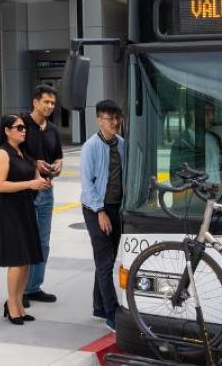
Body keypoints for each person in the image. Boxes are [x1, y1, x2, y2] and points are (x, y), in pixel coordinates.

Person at [0, 114, 50, 325]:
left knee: (26, 259)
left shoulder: (24, 153)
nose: (23, 130)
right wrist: (30, 185)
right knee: (16, 260)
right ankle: (11, 303)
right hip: (9, 210)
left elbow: (33, 178)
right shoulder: (1, 153)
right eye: (18, 127)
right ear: (7, 130)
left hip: (24, 207)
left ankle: (18, 303)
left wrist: (41, 181)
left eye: (24, 127)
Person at [80, 100, 126, 331]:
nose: (116, 123)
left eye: (118, 118)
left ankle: (98, 306)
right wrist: (99, 212)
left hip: (117, 208)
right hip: (95, 209)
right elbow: (87, 184)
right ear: (99, 120)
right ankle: (111, 313)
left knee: (106, 260)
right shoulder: (91, 147)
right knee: (105, 261)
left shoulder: (122, 144)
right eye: (111, 118)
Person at [21, 84, 63, 305]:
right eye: (46, 101)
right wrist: (33, 163)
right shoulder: (21, 125)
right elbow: (10, 154)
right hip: (25, 192)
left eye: (53, 103)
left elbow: (58, 156)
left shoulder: (53, 130)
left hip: (46, 191)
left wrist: (57, 165)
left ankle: (34, 287)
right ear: (35, 102)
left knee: (43, 242)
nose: (49, 106)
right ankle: (21, 290)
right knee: (26, 241)